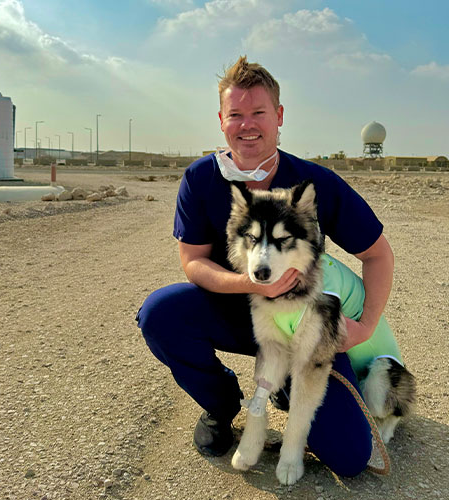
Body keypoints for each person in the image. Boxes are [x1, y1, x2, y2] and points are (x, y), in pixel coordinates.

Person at [135, 56, 397, 478]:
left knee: (349, 456)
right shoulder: (201, 178)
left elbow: (378, 254)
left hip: (302, 327)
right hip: (235, 309)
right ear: (222, 120)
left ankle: (288, 391)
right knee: (161, 313)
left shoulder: (316, 182)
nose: (247, 124)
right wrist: (247, 283)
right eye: (236, 114)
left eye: (258, 112)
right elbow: (193, 262)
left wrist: (365, 326)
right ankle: (222, 407)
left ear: (278, 116)